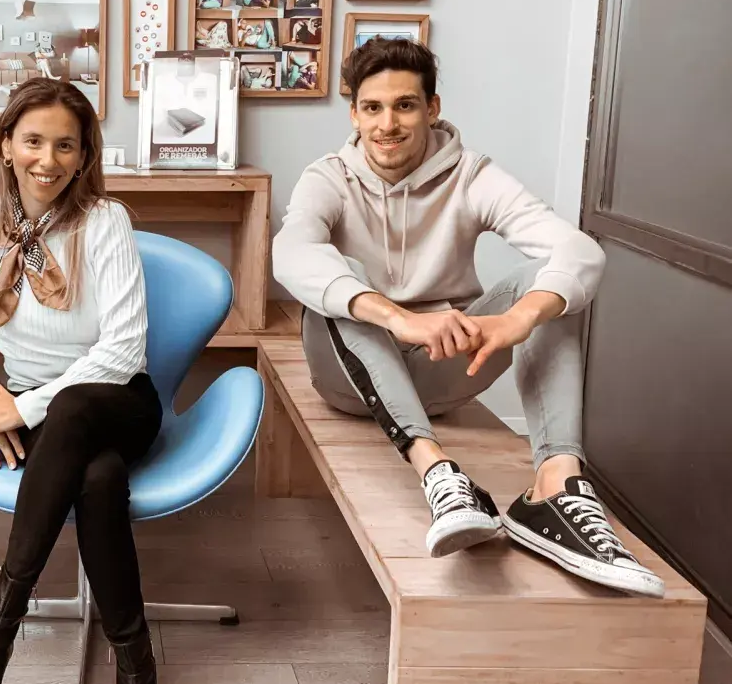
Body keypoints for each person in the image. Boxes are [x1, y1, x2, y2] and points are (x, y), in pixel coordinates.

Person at [272, 38, 665, 598]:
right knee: (338, 277)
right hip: (350, 376)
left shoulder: (471, 175)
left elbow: (579, 250)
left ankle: (554, 487)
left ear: (432, 109)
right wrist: (396, 317)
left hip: (442, 369)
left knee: (549, 282)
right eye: (373, 107)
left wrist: (520, 318)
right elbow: (290, 252)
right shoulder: (329, 177)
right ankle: (439, 476)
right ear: (355, 114)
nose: (388, 124)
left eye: (405, 105)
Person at [0, 78, 162, 684]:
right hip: (34, 407)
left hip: (118, 402)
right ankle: (137, 672)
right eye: (33, 141)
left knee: (78, 408)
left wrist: (24, 411)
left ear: (84, 155)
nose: (47, 160)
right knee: (99, 476)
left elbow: (123, 350)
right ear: (6, 144)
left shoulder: (105, 221)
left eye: (65, 145)